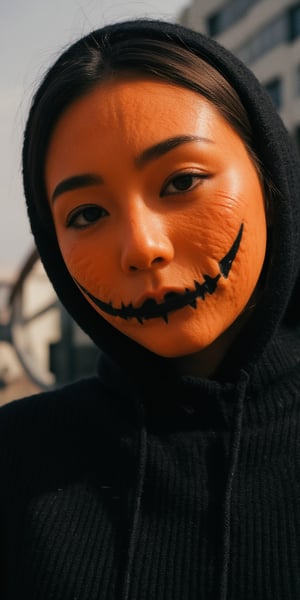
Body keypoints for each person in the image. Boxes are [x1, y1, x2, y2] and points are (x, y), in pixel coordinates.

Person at [0, 17, 300, 600]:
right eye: (86, 215)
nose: (142, 248)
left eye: (182, 181)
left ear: (271, 176)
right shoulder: (17, 463)